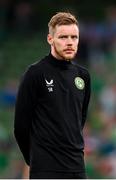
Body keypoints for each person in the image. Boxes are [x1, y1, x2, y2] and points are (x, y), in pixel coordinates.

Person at [14, 12, 91, 179]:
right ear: (50, 39)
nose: (70, 42)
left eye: (74, 37)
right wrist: (35, 160)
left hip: (77, 168)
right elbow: (20, 127)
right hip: (46, 169)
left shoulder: (83, 76)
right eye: (63, 37)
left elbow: (79, 120)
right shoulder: (35, 74)